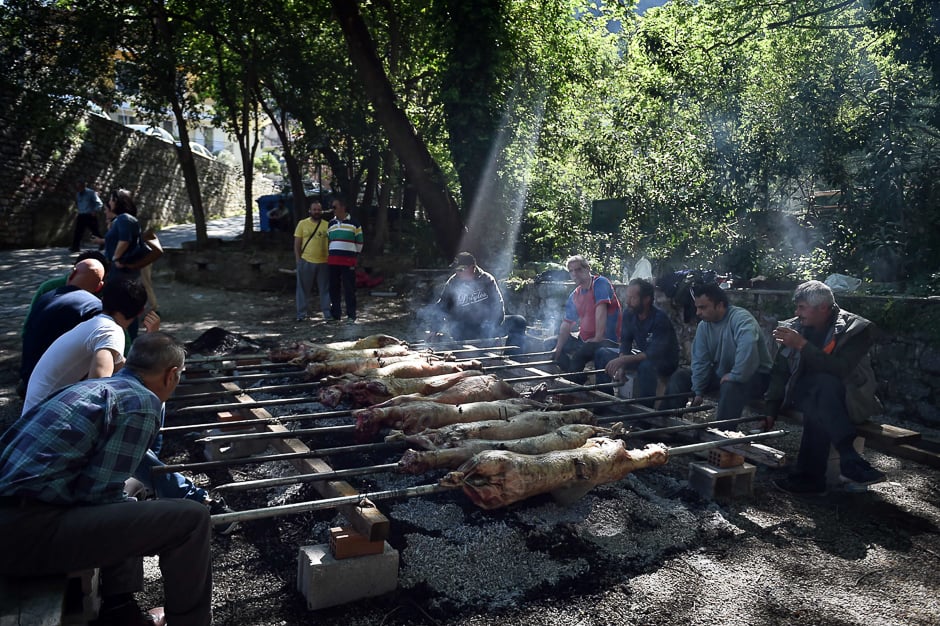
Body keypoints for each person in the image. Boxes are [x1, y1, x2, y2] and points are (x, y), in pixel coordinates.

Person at [0, 332, 212, 626]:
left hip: (17, 514)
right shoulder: (141, 403)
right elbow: (97, 496)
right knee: (192, 519)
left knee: (134, 485)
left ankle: (118, 607)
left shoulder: (92, 387)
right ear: (172, 375)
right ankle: (189, 622)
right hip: (26, 534)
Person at [23, 278, 236, 533]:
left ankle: (157, 477)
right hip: (58, 442)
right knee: (137, 410)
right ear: (138, 312)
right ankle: (193, 498)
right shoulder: (111, 331)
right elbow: (100, 387)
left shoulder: (94, 323)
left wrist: (152, 339)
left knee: (148, 398)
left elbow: (135, 369)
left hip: (43, 420)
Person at [765, 280, 886, 495]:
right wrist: (771, 408)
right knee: (818, 392)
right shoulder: (795, 327)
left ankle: (810, 480)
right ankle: (849, 458)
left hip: (847, 399)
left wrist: (801, 345)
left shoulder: (857, 329)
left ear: (822, 307)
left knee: (821, 390)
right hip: (805, 394)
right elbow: (780, 371)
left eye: (802, 307)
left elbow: (840, 369)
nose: (797, 312)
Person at [662, 282, 773, 420]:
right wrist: (698, 390)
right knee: (681, 377)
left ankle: (721, 434)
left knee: (730, 386)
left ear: (720, 305)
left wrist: (735, 376)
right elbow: (701, 360)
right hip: (725, 373)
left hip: (755, 376)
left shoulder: (741, 319)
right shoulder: (704, 326)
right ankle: (667, 423)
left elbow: (748, 350)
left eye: (702, 307)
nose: (697, 312)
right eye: (697, 307)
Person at [20, 256, 107, 390]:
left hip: (29, 377)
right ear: (99, 286)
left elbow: (26, 331)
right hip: (57, 389)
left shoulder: (47, 296)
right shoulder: (92, 308)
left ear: (72, 274)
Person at [421, 251, 528, 354]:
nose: (457, 272)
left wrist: (492, 328)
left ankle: (513, 359)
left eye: (461, 269)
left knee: (519, 321)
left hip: (487, 325)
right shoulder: (452, 282)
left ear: (472, 268)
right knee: (462, 329)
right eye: (456, 269)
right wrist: (433, 329)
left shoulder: (487, 280)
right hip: (464, 329)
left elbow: (498, 306)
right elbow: (441, 307)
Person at [594, 278, 679, 404]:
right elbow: (625, 342)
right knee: (602, 353)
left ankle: (644, 414)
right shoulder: (630, 313)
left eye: (632, 298)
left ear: (646, 299)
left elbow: (653, 354)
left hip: (664, 361)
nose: (627, 302)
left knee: (646, 367)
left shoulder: (660, 319)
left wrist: (623, 360)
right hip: (641, 355)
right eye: (627, 297)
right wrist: (622, 365)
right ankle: (605, 402)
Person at [551, 255, 622, 383]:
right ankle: (578, 377)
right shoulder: (575, 295)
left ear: (588, 269)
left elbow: (601, 310)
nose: (574, 274)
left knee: (580, 355)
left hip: (607, 340)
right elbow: (567, 324)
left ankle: (572, 387)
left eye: (578, 270)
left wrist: (598, 337)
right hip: (585, 340)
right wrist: (558, 347)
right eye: (571, 271)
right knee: (550, 344)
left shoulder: (600, 283)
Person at [327, 194, 364, 323]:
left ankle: (351, 315)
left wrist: (353, 256)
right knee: (333, 288)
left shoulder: (354, 223)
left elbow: (359, 242)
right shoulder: (331, 224)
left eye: (334, 207)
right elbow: (329, 241)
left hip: (348, 261)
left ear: (343, 207)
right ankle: (335, 315)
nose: (333, 209)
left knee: (349, 288)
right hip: (333, 261)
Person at [293, 197, 331, 322]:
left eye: (318, 210)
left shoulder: (327, 225)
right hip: (306, 261)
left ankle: (327, 313)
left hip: (324, 262)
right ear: (310, 211)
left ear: (322, 211)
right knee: (303, 289)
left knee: (325, 289)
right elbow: (297, 244)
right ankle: (301, 314)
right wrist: (299, 261)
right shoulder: (302, 224)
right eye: (314, 209)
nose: (316, 212)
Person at [71, 180, 103, 252]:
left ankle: (102, 243)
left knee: (95, 231)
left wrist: (95, 210)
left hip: (90, 215)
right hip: (81, 215)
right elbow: (78, 203)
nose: (78, 188)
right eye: (77, 187)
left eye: (80, 186)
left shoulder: (91, 193)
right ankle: (75, 247)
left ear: (83, 186)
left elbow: (99, 203)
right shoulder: (78, 194)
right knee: (78, 231)